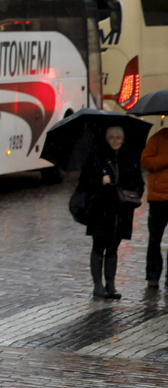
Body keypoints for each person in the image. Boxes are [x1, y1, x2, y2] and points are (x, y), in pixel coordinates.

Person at [78, 125, 143, 299]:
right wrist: (100, 181)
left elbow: (139, 183)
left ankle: (111, 285)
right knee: (99, 247)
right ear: (107, 140)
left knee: (113, 248)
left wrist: (133, 197)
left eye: (118, 137)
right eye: (112, 137)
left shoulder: (129, 159)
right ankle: (98, 286)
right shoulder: (97, 157)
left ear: (123, 140)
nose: (115, 141)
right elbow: (85, 183)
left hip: (122, 211)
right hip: (100, 210)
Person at [141, 122, 168, 288]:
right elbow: (145, 161)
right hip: (158, 198)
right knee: (154, 239)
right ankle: (152, 275)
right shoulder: (157, 139)